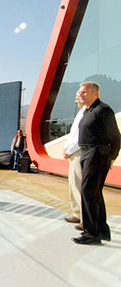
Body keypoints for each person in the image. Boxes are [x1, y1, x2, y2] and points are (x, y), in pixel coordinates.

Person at [72, 81, 120, 245]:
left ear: (95, 93)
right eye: (80, 92)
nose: (80, 95)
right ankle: (102, 230)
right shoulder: (87, 111)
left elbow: (115, 137)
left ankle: (91, 233)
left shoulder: (103, 110)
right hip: (86, 153)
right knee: (94, 193)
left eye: (84, 92)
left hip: (97, 154)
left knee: (88, 191)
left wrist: (111, 157)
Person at [62, 91, 86, 225]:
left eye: (78, 98)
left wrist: (69, 150)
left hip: (78, 152)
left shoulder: (86, 113)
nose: (76, 100)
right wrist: (66, 147)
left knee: (79, 184)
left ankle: (84, 217)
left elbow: (80, 137)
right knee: (73, 183)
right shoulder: (80, 113)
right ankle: (76, 213)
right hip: (72, 153)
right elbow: (72, 135)